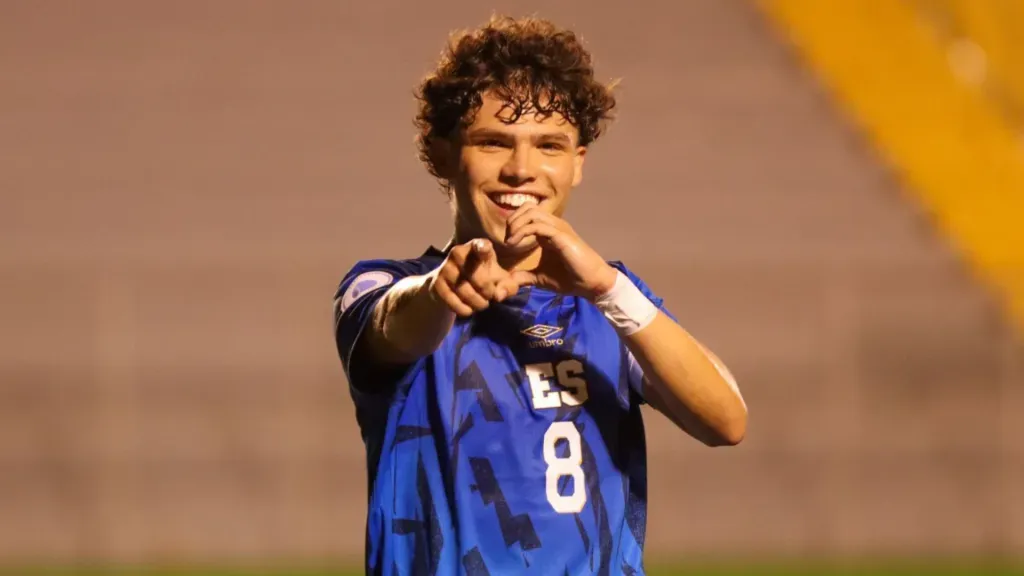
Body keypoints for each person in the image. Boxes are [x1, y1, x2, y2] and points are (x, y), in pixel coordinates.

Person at [333, 15, 748, 575]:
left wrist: (606, 286)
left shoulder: (610, 303)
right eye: (493, 142)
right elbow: (392, 326)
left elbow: (726, 421)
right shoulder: (381, 285)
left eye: (549, 145)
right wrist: (442, 290)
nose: (521, 170)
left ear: (577, 164)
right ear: (441, 153)